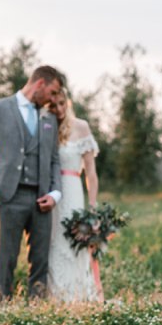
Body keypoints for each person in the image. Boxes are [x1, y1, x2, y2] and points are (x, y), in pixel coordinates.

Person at [0, 66, 65, 300]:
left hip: (41, 197)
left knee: (40, 259)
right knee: (6, 256)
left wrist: (55, 193)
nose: (53, 99)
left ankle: (36, 310)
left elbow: (55, 160)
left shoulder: (49, 118)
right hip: (9, 196)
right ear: (40, 84)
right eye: (53, 92)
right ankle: (0, 307)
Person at [47, 91, 104, 302]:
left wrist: (92, 207)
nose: (59, 109)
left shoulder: (81, 127)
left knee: (73, 240)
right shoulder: (46, 127)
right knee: (54, 243)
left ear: (68, 102)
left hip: (72, 190)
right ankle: (56, 296)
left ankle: (77, 296)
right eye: (53, 106)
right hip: (51, 193)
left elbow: (90, 172)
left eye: (62, 104)